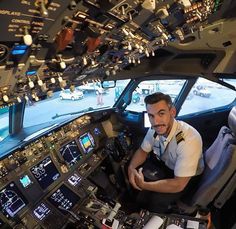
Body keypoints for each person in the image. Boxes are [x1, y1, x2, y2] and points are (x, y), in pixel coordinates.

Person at [128, 92, 204, 213]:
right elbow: (142, 151)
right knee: (141, 190)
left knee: (156, 200)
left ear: (172, 112)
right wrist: (131, 168)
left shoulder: (188, 140)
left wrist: (144, 185)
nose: (156, 121)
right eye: (151, 116)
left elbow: (178, 184)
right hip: (167, 165)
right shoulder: (155, 128)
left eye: (161, 113)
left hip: (185, 177)